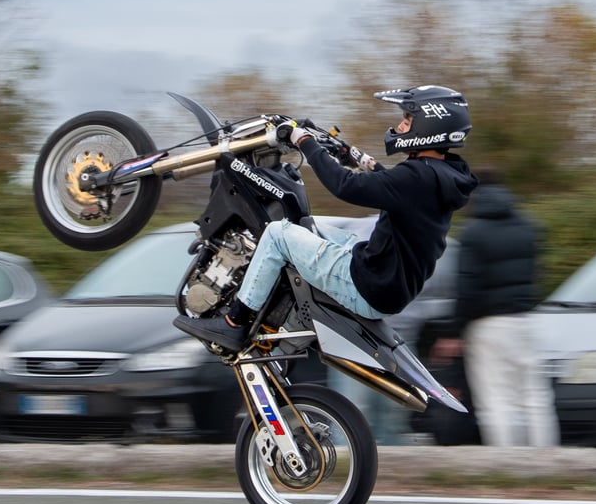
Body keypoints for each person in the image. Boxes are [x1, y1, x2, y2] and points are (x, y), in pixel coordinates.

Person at [175, 85, 478, 353]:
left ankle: (234, 322)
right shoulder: (442, 174)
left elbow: (344, 186)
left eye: (407, 120)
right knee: (306, 227)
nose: (400, 126)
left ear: (430, 125)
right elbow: (393, 188)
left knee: (278, 234)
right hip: (388, 281)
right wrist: (358, 158)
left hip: (370, 285)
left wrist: (304, 140)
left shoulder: (416, 177)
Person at [452, 167, 560, 447]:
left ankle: (506, 465)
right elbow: (536, 274)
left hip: (487, 327)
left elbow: (467, 289)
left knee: (496, 400)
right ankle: (548, 462)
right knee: (536, 397)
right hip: (526, 320)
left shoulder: (473, 232)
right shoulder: (528, 226)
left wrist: (456, 330)